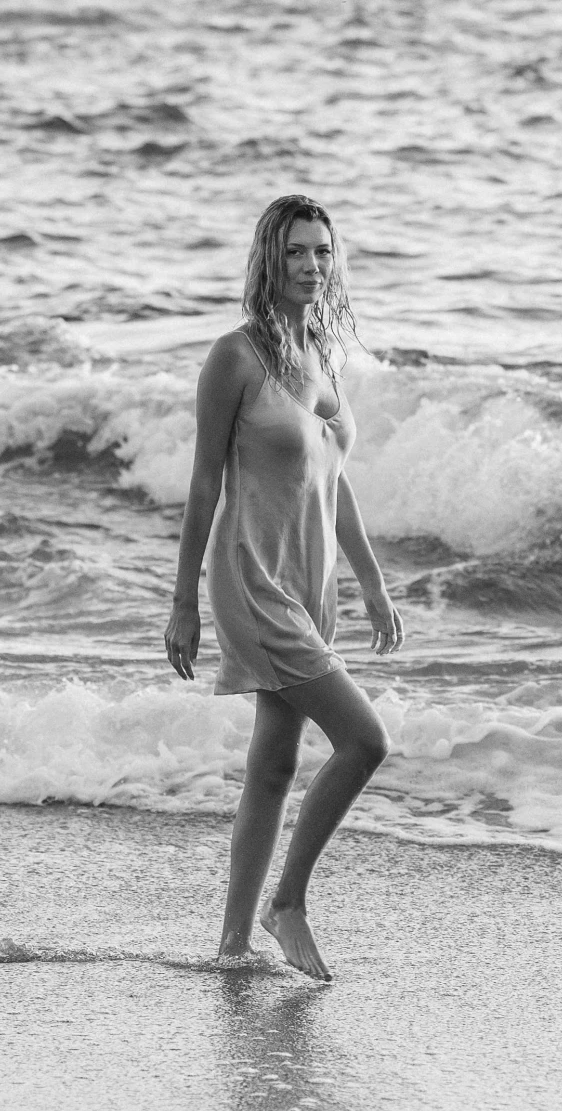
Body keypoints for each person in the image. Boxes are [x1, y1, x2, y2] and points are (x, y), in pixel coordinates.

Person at [164, 195, 403, 981]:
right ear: (270, 258)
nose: (311, 265)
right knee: (366, 740)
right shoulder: (235, 358)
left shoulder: (322, 357)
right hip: (252, 577)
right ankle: (287, 902)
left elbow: (333, 480)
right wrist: (183, 602)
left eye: (323, 253)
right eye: (297, 251)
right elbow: (202, 486)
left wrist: (369, 579)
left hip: (311, 582)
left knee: (272, 766)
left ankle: (232, 947)